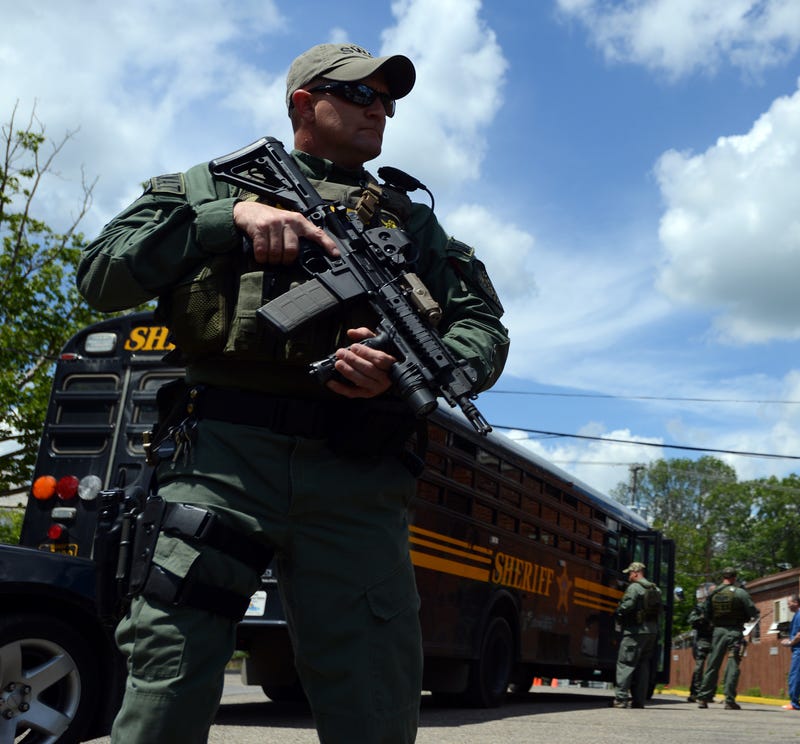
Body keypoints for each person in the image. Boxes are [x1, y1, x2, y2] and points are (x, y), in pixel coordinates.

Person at [77, 42, 509, 744]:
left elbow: (481, 326)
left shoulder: (411, 221)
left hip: (355, 471)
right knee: (169, 678)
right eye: (362, 95)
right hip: (219, 458)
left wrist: (398, 365)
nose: (383, 112)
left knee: (375, 697)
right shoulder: (205, 188)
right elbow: (101, 275)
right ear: (306, 103)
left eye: (389, 100)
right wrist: (229, 221)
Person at [695, 567, 758, 710]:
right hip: (735, 632)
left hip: (717, 632)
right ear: (734, 577)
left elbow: (705, 612)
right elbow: (752, 611)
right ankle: (729, 700)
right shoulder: (740, 593)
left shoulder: (713, 593)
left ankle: (703, 698)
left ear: (723, 576)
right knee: (733, 664)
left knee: (712, 664)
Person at [612, 561, 662, 708]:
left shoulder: (634, 587)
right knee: (643, 665)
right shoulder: (655, 588)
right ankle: (639, 700)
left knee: (625, 663)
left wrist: (618, 612)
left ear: (635, 573)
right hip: (651, 632)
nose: (628, 576)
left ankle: (621, 699)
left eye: (629, 573)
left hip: (635, 631)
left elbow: (627, 606)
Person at [685, 582, 715, 702]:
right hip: (702, 638)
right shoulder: (701, 606)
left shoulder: (718, 606)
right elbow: (691, 619)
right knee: (699, 666)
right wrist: (701, 618)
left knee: (713, 667)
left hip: (715, 638)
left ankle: (709, 693)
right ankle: (695, 692)